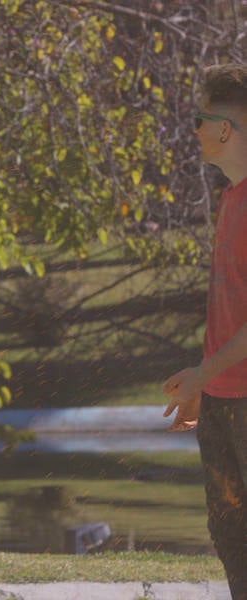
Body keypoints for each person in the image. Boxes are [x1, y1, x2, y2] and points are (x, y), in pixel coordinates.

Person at [162, 63, 247, 600]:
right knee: (230, 535)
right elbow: (227, 310)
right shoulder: (230, 200)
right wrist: (201, 383)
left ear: (227, 127)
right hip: (222, 399)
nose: (193, 130)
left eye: (200, 118)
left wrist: (204, 372)